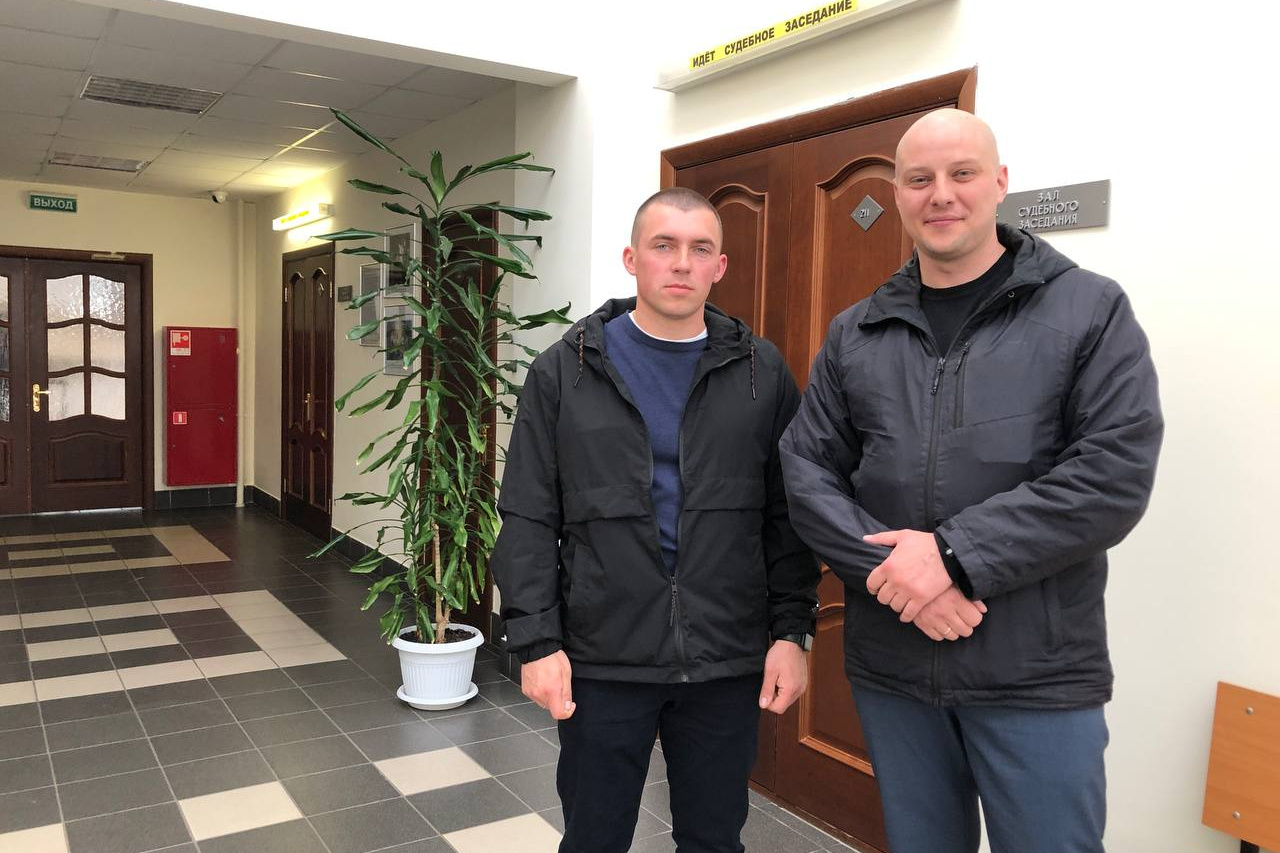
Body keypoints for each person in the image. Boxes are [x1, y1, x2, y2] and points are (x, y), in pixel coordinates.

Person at [779, 109, 1163, 853]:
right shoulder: (856, 331)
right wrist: (902, 576)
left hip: (1035, 674)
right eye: (919, 178)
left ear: (1000, 183)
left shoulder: (1089, 309)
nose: (941, 194)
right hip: (896, 669)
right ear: (897, 193)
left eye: (962, 173)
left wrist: (953, 556)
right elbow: (806, 471)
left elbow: (1111, 475)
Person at [492, 187, 820, 853]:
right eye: (663, 245)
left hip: (724, 657)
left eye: (700, 249)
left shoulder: (760, 373)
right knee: (595, 837)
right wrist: (536, 641)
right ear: (632, 258)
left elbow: (787, 516)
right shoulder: (567, 371)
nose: (681, 263)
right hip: (603, 655)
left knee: (714, 839)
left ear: (719, 267)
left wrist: (792, 632)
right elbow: (528, 512)